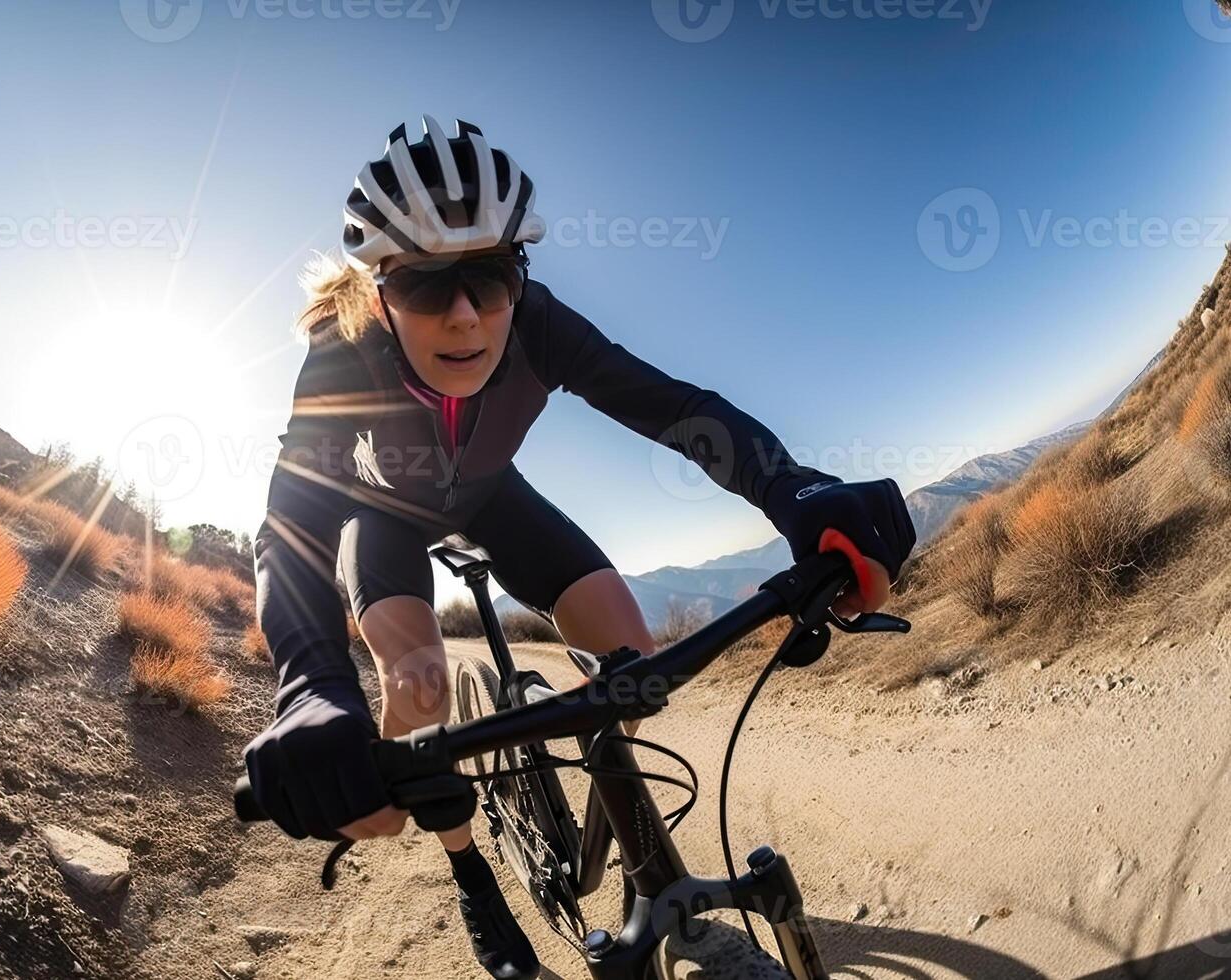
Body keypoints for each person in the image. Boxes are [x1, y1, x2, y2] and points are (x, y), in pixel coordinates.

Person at [243, 116, 916, 980]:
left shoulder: (539, 322)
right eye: (424, 286)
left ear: (518, 274)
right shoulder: (343, 357)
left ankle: (642, 863)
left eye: (490, 276)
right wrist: (311, 688)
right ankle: (469, 868)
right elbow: (291, 522)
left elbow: (669, 405)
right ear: (381, 291)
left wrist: (795, 488)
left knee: (631, 668)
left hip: (494, 500)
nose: (464, 314)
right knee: (416, 684)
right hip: (383, 523)